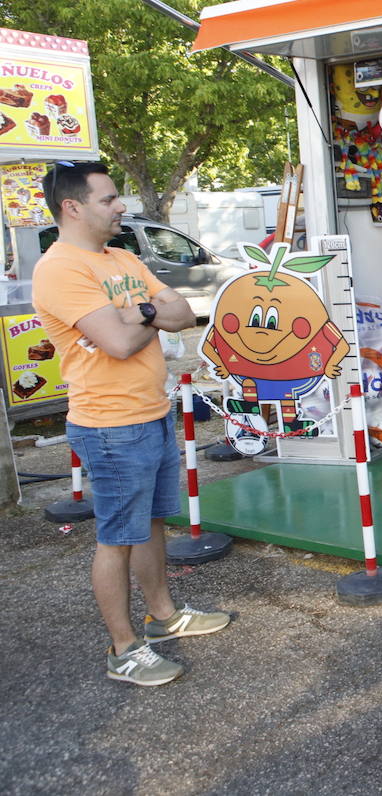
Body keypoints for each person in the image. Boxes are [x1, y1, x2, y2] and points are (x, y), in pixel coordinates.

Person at [32, 162, 230, 687]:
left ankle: (163, 617)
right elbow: (119, 344)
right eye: (109, 198)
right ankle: (124, 647)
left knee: (151, 523)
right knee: (117, 537)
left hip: (151, 411)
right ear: (72, 207)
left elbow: (183, 313)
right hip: (110, 425)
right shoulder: (60, 269)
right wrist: (147, 312)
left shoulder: (120, 256)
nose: (121, 206)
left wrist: (133, 312)